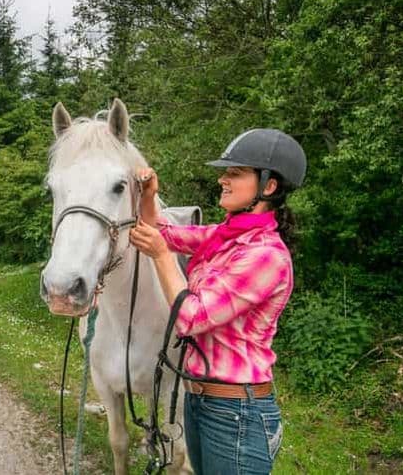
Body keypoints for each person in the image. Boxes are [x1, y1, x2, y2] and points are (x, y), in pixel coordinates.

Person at [128, 129, 306, 475]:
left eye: (235, 173)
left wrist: (163, 258)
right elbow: (159, 231)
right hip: (202, 402)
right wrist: (150, 196)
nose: (222, 179)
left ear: (268, 186)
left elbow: (191, 318)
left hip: (236, 411)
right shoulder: (225, 237)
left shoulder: (265, 255)